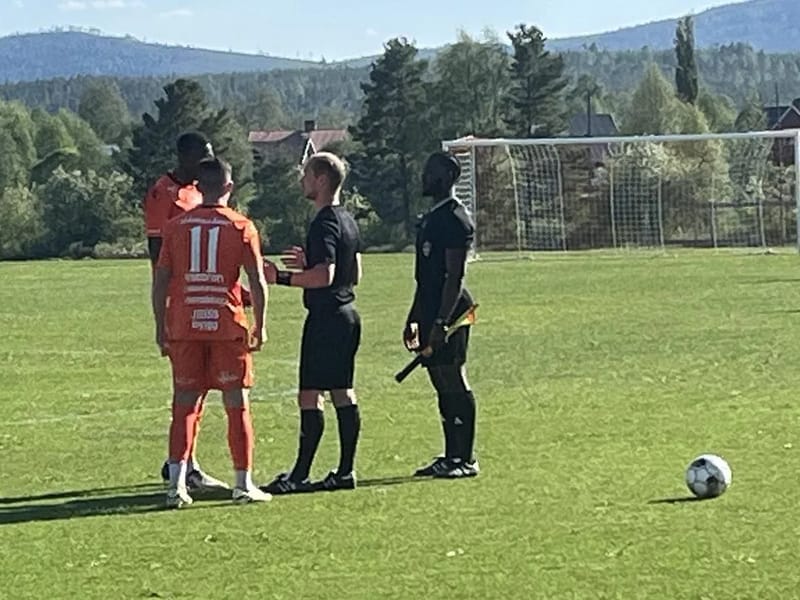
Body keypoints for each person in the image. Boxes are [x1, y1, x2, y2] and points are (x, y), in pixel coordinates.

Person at [152, 157, 271, 507]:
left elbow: (161, 283)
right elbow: (257, 281)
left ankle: (176, 487)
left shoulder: (175, 227)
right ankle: (243, 484)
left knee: (185, 404)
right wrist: (261, 326)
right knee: (236, 403)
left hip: (185, 326)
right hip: (226, 324)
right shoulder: (242, 226)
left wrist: (161, 326)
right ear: (229, 188)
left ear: (197, 188)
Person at [261, 152, 363, 494]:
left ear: (321, 179)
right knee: (342, 393)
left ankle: (299, 476)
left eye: (306, 175)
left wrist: (282, 278)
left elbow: (325, 276)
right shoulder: (347, 219)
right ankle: (344, 471)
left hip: (327, 319)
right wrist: (310, 262)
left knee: (310, 395)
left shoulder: (323, 223)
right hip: (347, 315)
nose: (301, 181)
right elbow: (355, 273)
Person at [143, 132, 227, 491]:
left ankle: (184, 461)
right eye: (202, 156)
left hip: (204, 297)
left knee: (201, 384)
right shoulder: (163, 193)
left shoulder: (197, 191)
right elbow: (157, 252)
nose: (207, 163)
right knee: (187, 385)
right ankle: (183, 464)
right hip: (181, 301)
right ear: (184, 156)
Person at [403, 151, 479, 479]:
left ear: (448, 175)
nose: (424, 177)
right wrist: (414, 316)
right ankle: (450, 455)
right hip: (431, 310)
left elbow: (454, 277)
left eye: (430, 172)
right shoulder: (431, 218)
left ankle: (466, 457)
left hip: (453, 312)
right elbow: (426, 279)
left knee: (453, 376)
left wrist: (441, 322)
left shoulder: (456, 219)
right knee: (439, 381)